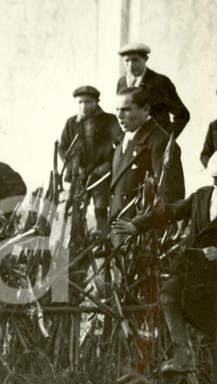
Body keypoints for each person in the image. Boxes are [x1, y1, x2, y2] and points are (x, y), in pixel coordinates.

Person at [112, 147, 217, 384]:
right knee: (168, 293)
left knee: (216, 333)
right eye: (215, 176)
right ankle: (183, 355)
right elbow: (171, 211)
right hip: (190, 267)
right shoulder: (203, 196)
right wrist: (137, 224)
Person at [109, 86, 185, 247]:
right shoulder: (123, 140)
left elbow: (171, 197)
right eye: (117, 109)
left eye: (126, 109)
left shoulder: (159, 142)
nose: (119, 115)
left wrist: (142, 225)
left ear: (145, 110)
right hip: (123, 231)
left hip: (144, 234)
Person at [59, 85, 122, 229]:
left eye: (88, 102)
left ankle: (102, 242)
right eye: (80, 102)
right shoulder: (71, 123)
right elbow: (63, 147)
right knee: (77, 209)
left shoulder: (109, 120)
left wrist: (109, 164)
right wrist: (73, 167)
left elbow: (120, 143)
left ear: (96, 102)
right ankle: (78, 242)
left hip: (100, 174)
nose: (83, 106)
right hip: (79, 175)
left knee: (101, 209)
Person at [116, 42, 190, 138]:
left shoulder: (160, 82)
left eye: (135, 60)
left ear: (145, 59)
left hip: (154, 141)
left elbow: (182, 114)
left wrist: (168, 139)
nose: (130, 65)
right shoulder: (122, 82)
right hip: (131, 141)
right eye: (127, 60)